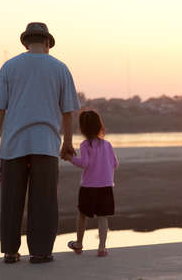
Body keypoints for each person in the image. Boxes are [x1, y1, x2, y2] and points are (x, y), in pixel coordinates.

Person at [0, 22, 80, 264]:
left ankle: (10, 251)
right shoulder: (60, 68)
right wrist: (67, 143)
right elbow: (68, 111)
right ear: (48, 42)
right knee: (44, 201)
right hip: (45, 144)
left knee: (11, 200)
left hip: (13, 145)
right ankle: (40, 252)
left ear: (26, 42)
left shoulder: (9, 67)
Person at [64, 110, 119, 257]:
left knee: (82, 214)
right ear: (100, 126)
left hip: (89, 187)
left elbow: (85, 163)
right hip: (106, 186)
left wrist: (70, 158)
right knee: (102, 217)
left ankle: (79, 244)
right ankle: (102, 247)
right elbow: (115, 163)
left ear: (82, 128)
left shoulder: (84, 145)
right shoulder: (107, 145)